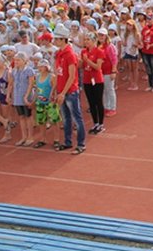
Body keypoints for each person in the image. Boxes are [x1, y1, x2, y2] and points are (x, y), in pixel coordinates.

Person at [52, 24, 86, 155]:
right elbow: (58, 74)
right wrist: (56, 91)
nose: (54, 41)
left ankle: (81, 144)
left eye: (56, 39)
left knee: (76, 118)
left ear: (62, 39)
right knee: (66, 118)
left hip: (70, 91)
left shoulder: (70, 54)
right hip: (62, 90)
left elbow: (72, 76)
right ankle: (67, 141)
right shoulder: (59, 54)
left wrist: (63, 93)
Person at [80, 33, 106, 135]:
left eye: (88, 40)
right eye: (85, 39)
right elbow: (82, 65)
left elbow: (98, 67)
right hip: (87, 80)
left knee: (98, 102)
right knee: (91, 103)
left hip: (97, 80)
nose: (86, 42)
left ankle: (101, 124)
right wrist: (80, 61)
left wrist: (87, 60)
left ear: (93, 41)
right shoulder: (84, 51)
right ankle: (95, 123)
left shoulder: (99, 52)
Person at [7, 52, 35, 147]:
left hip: (26, 97)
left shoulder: (29, 70)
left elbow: (31, 84)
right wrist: (8, 95)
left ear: (24, 61)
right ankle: (24, 136)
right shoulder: (14, 71)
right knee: (21, 117)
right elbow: (10, 84)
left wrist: (26, 96)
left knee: (28, 116)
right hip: (17, 97)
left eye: (18, 60)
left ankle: (30, 137)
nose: (16, 62)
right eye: (15, 60)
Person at [33, 59, 61, 149]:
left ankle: (56, 139)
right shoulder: (37, 77)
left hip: (50, 103)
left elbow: (55, 88)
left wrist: (54, 98)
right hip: (40, 102)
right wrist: (34, 100)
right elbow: (37, 89)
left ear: (46, 67)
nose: (40, 68)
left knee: (54, 121)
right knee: (41, 121)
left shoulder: (52, 77)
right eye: (39, 66)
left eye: (42, 66)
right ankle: (42, 139)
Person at [97, 28, 118, 118]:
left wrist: (113, 71)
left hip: (108, 71)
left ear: (106, 36)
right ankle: (106, 106)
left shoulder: (110, 46)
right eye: (99, 35)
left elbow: (114, 59)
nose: (101, 37)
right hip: (101, 72)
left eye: (102, 35)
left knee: (110, 89)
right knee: (104, 90)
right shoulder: (98, 46)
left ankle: (112, 108)